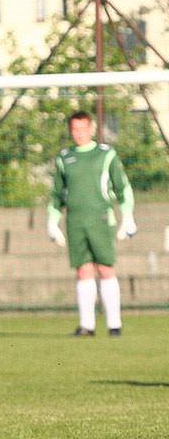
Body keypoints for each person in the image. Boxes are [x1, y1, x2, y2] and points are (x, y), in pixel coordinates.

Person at [47, 110, 136, 337]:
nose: (79, 133)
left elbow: (122, 187)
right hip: (75, 220)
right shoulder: (64, 157)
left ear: (91, 128)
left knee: (105, 268)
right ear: (70, 131)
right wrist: (52, 223)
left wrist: (127, 217)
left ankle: (114, 324)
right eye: (75, 129)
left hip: (101, 218)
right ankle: (87, 325)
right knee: (83, 270)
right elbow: (57, 194)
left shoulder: (105, 154)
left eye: (83, 128)